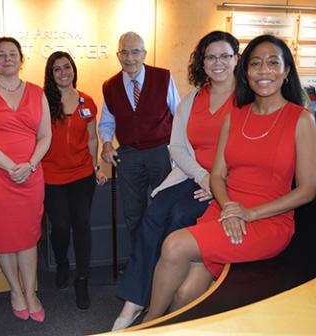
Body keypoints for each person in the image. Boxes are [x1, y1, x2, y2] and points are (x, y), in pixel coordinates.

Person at [143, 34, 316, 323]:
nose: (263, 71)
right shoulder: (235, 115)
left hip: (268, 220)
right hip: (224, 211)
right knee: (186, 293)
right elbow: (218, 175)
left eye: (273, 63)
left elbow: (309, 189)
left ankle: (148, 324)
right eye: (256, 64)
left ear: (286, 71)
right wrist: (229, 208)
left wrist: (249, 213)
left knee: (174, 245)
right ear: (245, 72)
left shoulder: (301, 119)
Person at [112, 31, 239, 330]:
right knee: (155, 211)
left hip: (227, 183)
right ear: (201, 61)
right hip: (192, 175)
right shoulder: (193, 98)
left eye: (224, 56)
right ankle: (134, 304)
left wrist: (218, 183)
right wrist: (203, 177)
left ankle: (158, 306)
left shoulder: (247, 101)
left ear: (237, 60)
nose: (217, 62)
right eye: (210, 56)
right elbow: (178, 148)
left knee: (180, 216)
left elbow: (251, 152)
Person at [0, 37, 51, 323]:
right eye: (0, 55)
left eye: (12, 54)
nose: (7, 58)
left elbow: (45, 136)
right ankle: (15, 291)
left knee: (27, 237)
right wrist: (11, 166)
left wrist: (28, 165)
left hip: (30, 175)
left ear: (21, 58)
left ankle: (31, 293)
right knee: (4, 238)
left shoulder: (38, 93)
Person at [99, 31, 180, 248]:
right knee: (133, 213)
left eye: (135, 52)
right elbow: (106, 122)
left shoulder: (163, 78)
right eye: (124, 52)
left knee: (164, 206)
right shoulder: (110, 86)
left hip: (161, 152)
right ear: (118, 55)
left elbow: (179, 115)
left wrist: (180, 152)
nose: (130, 58)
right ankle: (140, 259)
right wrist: (107, 143)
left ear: (144, 54)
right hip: (129, 154)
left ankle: (166, 257)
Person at [42, 51, 107, 310]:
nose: (63, 72)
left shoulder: (86, 101)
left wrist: (96, 167)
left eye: (66, 67)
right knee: (60, 225)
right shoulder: (43, 101)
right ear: (51, 74)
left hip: (81, 174)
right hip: (51, 175)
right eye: (57, 69)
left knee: (81, 224)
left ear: (73, 69)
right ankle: (60, 262)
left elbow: (92, 138)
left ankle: (82, 279)